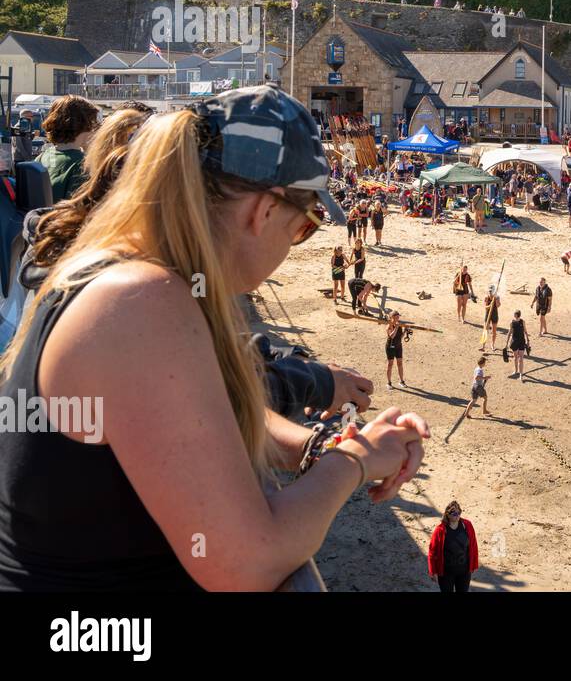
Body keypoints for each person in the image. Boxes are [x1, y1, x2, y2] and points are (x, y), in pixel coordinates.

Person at [0, 85, 429, 591]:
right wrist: (352, 463)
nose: (296, 243)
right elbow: (248, 562)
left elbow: (196, 422)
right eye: (306, 225)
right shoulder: (141, 304)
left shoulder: (135, 276)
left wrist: (318, 446)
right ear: (264, 211)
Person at [36, 94, 99, 203]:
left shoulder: (42, 156)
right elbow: (76, 210)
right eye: (93, 123)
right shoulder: (82, 165)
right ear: (85, 125)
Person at [426, 501, 478, 592]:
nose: (457, 515)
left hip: (464, 571)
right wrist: (432, 571)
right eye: (454, 513)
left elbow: (473, 544)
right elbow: (432, 551)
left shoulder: (467, 525)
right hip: (446, 573)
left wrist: (473, 564)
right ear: (448, 514)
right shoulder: (440, 530)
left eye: (459, 512)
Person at [385, 310, 409, 388]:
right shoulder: (389, 326)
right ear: (392, 318)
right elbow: (392, 336)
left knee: (400, 363)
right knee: (390, 364)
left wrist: (405, 331)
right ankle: (389, 383)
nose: (398, 318)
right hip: (390, 347)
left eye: (398, 317)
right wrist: (396, 327)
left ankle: (402, 381)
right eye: (396, 317)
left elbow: (399, 337)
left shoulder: (399, 325)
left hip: (398, 346)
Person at [507, 310, 530, 381]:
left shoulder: (522, 322)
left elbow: (525, 331)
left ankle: (520, 373)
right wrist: (528, 340)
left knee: (520, 359)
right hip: (516, 342)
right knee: (517, 358)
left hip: (520, 342)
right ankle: (517, 371)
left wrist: (528, 340)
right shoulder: (512, 323)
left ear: (516, 315)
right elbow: (510, 332)